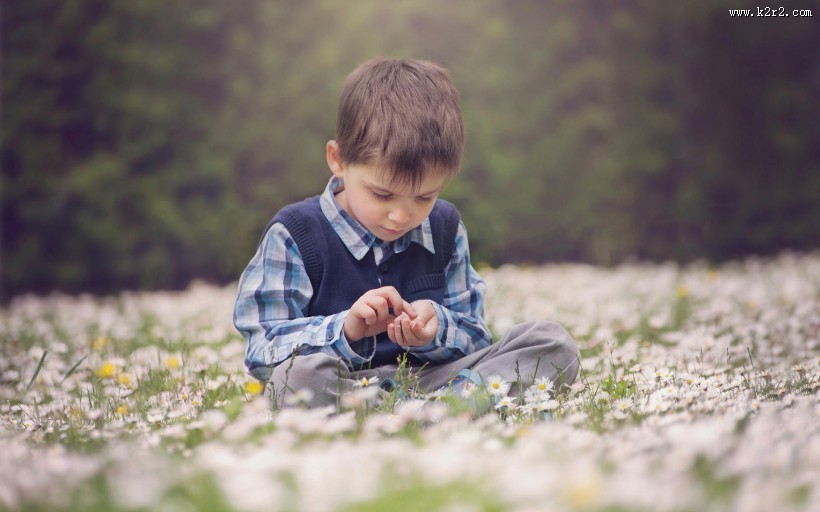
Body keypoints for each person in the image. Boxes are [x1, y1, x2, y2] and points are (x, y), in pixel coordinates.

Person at [233, 57, 580, 409]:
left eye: (425, 196)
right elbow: (263, 350)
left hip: (437, 382)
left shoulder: (444, 228)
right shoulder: (295, 234)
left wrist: (436, 327)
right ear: (338, 160)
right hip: (344, 387)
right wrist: (347, 329)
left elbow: (477, 338)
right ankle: (436, 415)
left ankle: (434, 412)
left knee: (551, 344)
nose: (402, 215)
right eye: (382, 195)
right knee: (293, 379)